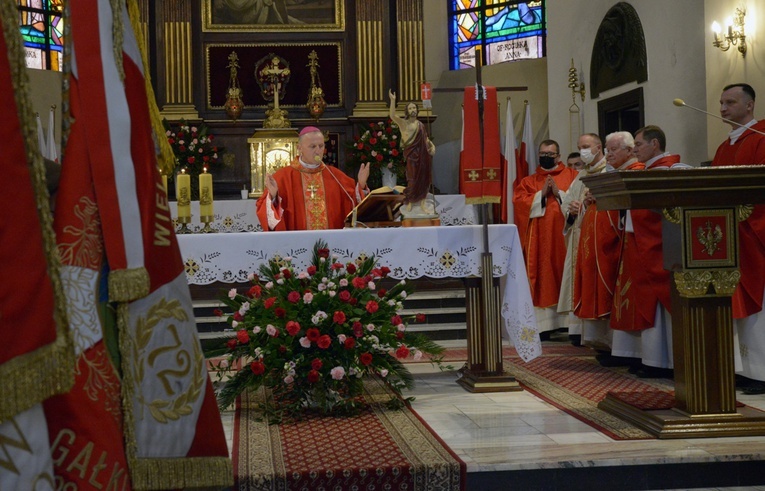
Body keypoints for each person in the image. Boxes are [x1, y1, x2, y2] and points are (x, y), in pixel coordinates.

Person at [610, 125, 690, 378]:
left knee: (661, 306)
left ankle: (665, 362)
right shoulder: (645, 172)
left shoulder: (674, 171)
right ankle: (652, 358)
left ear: (655, 144)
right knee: (646, 304)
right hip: (643, 245)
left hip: (662, 248)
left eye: (639, 144)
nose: (635, 150)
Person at [711, 83, 765, 394]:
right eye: (720, 102)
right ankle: (745, 369)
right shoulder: (724, 147)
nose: (722, 108)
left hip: (754, 233)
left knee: (759, 309)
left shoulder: (760, 138)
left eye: (730, 102)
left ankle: (761, 371)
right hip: (730, 236)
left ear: (749, 105)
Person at [512, 140, 579, 339]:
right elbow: (519, 203)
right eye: (543, 153)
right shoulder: (529, 182)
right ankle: (546, 325)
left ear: (558, 156)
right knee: (544, 276)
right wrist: (541, 194)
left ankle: (570, 324)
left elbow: (580, 200)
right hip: (541, 242)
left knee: (566, 273)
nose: (546, 157)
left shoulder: (573, 177)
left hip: (565, 238)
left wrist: (559, 194)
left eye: (550, 154)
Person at [256, 126, 370, 230]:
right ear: (299, 148)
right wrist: (273, 196)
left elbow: (353, 206)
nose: (318, 150)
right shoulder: (282, 177)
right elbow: (266, 214)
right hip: (296, 245)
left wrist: (361, 185)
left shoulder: (335, 176)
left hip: (331, 245)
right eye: (312, 146)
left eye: (321, 146)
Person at [558, 133, 608, 348]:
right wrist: (571, 210)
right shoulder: (581, 175)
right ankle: (578, 330)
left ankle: (595, 333)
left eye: (586, 146)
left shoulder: (607, 172)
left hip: (596, 238)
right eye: (580, 147)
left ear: (599, 147)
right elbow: (567, 202)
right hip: (579, 235)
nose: (583, 151)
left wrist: (585, 207)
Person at [388, 89, 436, 212]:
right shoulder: (403, 124)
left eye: (414, 108)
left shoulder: (420, 125)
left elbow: (425, 140)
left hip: (422, 155)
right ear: (407, 111)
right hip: (411, 155)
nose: (412, 110)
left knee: (423, 178)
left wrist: (432, 146)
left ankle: (423, 204)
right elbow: (392, 116)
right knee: (412, 178)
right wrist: (393, 101)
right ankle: (410, 201)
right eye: (410, 108)